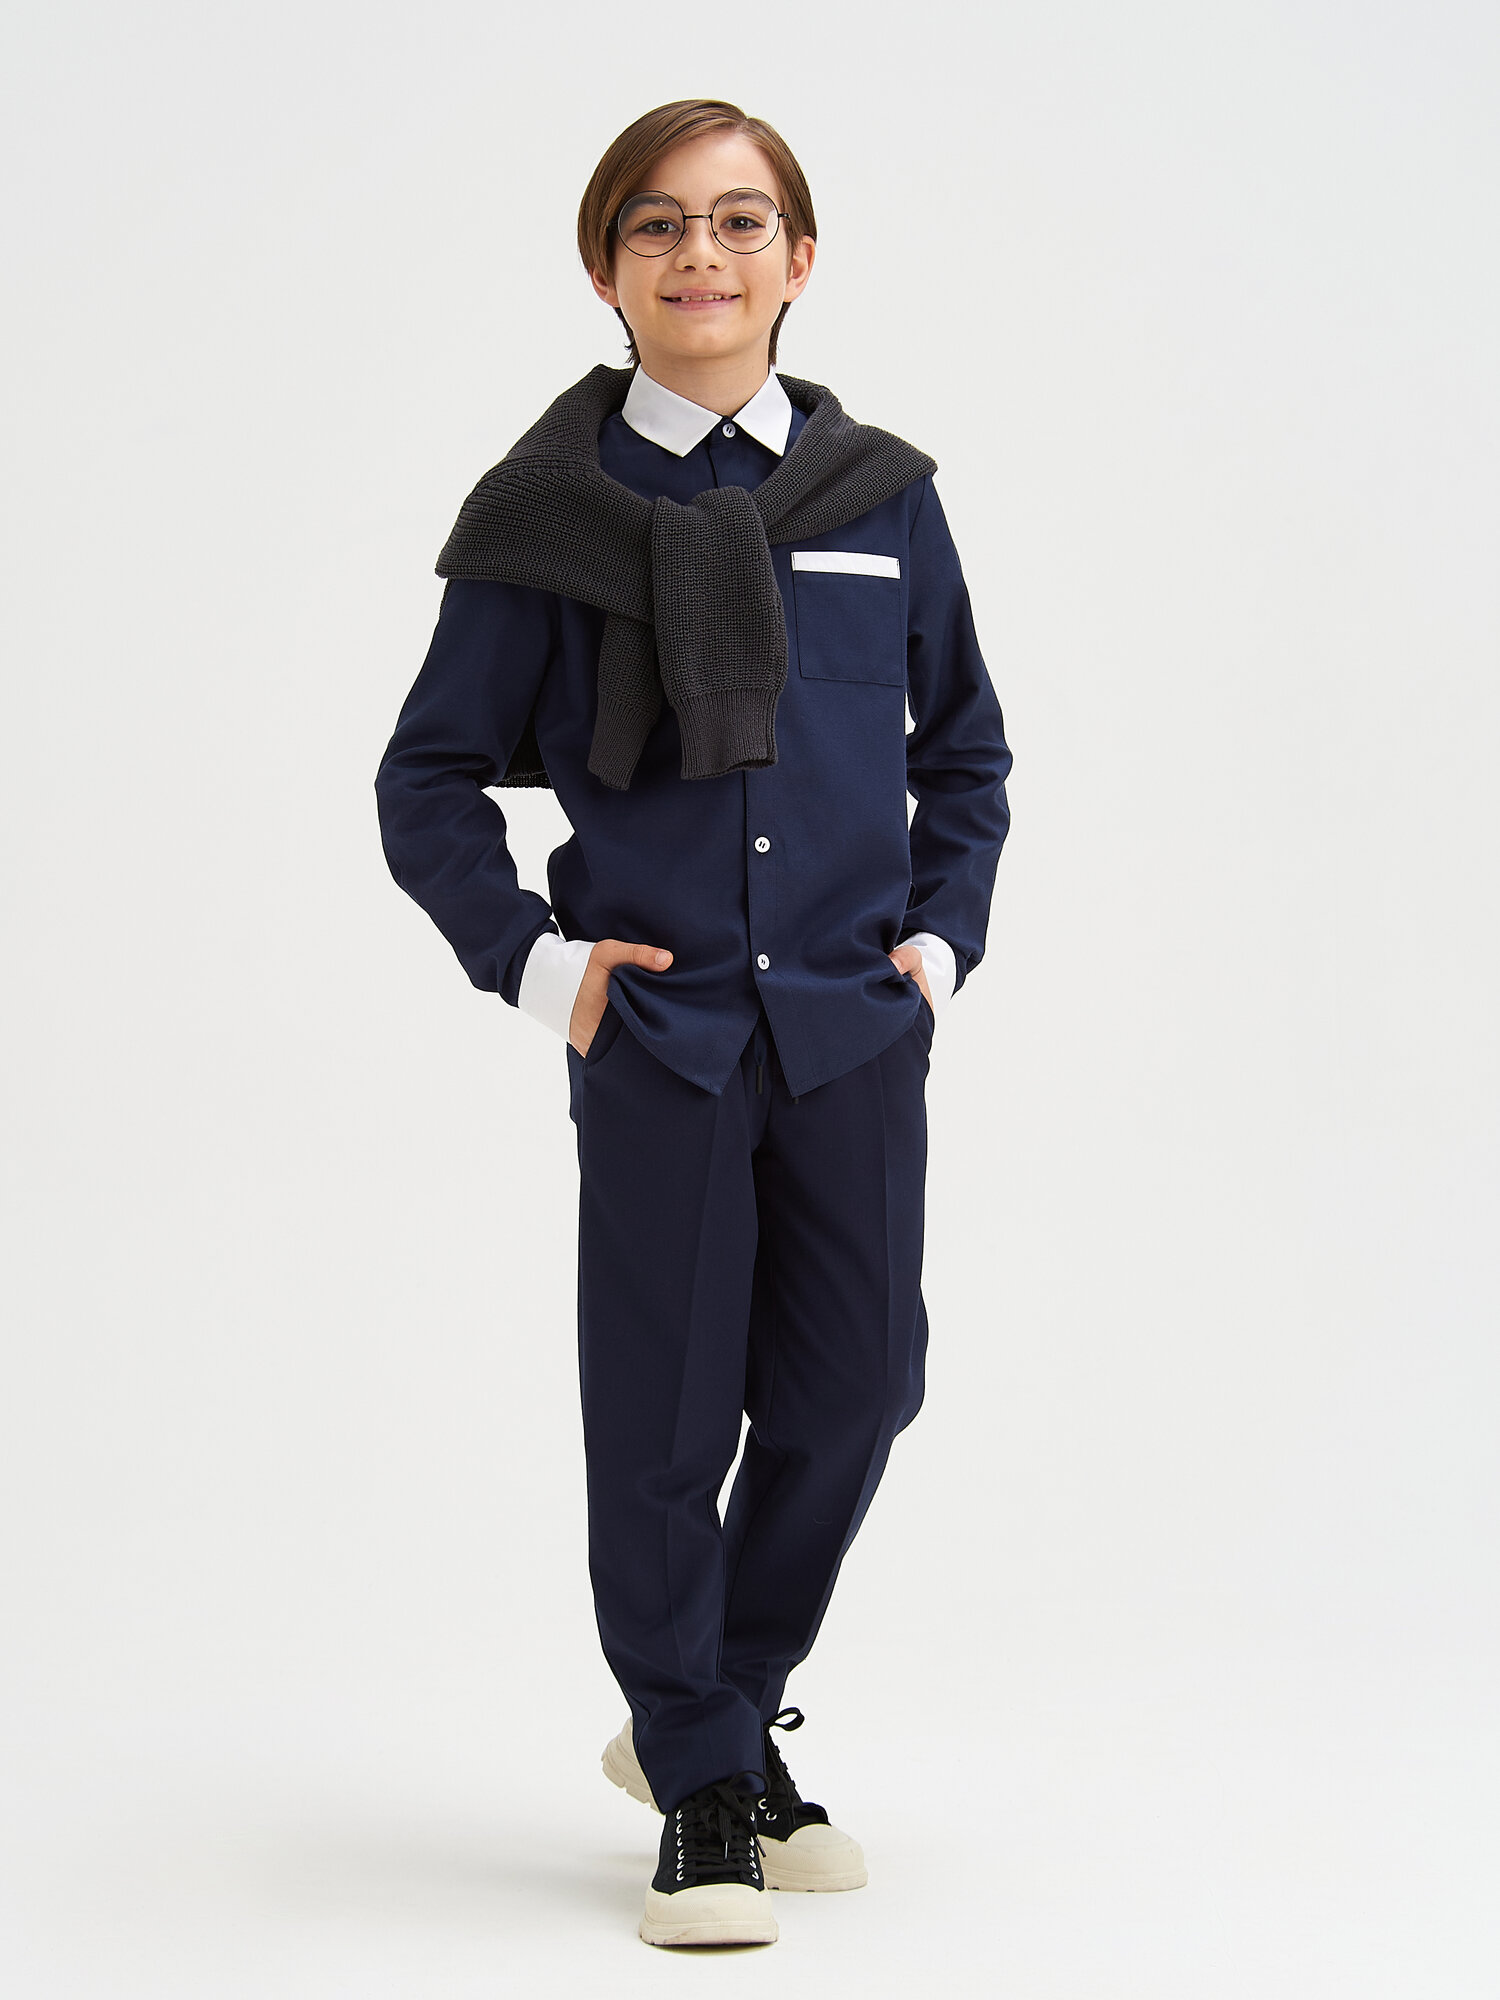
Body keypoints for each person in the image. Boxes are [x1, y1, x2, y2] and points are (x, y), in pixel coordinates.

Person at [374, 96, 1012, 1950]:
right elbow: (426, 782)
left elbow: (967, 756)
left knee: (860, 1384)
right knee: (662, 1415)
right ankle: (709, 1781)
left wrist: (934, 954)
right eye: (657, 224)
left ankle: (705, 1712)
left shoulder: (881, 498)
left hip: (851, 1033)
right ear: (607, 270)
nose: (700, 254)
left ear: (798, 261)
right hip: (657, 1038)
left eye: (740, 221)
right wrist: (544, 969)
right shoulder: (546, 519)